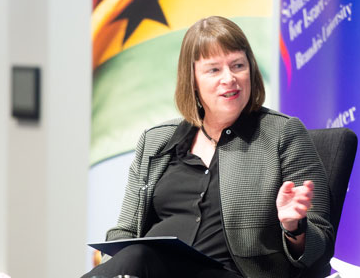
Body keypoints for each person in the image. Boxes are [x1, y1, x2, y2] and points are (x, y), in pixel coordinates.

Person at [82, 16, 334, 278]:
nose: (229, 78)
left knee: (140, 256)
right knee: (134, 257)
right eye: (214, 70)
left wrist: (294, 226)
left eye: (238, 65)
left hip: (234, 273)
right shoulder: (155, 142)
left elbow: (320, 247)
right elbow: (124, 231)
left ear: (252, 70)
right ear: (192, 80)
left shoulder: (283, 134)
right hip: (150, 270)